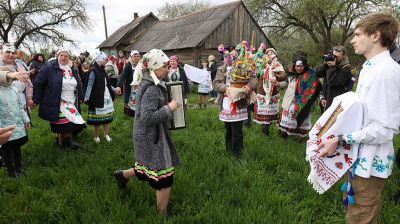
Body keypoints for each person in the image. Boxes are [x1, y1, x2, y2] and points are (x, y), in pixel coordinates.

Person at [317, 12, 400, 224]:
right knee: (353, 211)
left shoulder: (385, 72)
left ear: (375, 36)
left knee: (361, 216)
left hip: (371, 162)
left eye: (357, 34)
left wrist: (341, 139)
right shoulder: (369, 67)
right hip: (359, 158)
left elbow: (385, 128)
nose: (352, 40)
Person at [113, 49, 180, 213]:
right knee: (164, 176)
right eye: (164, 66)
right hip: (151, 136)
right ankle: (161, 214)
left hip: (149, 135)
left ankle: (122, 175)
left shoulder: (153, 82)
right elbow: (147, 118)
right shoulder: (151, 88)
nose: (167, 69)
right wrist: (169, 108)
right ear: (153, 67)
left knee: (147, 166)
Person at [33, 48, 86, 149]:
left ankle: (67, 143)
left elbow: (78, 83)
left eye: (66, 56)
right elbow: (38, 82)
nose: (63, 57)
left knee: (70, 122)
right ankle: (62, 143)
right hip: (58, 100)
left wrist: (82, 96)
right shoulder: (50, 67)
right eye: (61, 55)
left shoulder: (72, 68)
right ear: (57, 56)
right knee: (62, 124)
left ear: (69, 57)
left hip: (72, 100)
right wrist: (36, 99)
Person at [213, 41, 257, 158]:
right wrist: (225, 88)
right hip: (226, 103)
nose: (231, 56)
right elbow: (216, 84)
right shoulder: (222, 69)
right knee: (228, 129)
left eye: (233, 54)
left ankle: (237, 155)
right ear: (226, 56)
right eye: (229, 54)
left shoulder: (243, 66)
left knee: (237, 130)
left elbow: (254, 78)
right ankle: (229, 152)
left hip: (239, 102)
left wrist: (249, 86)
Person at [277, 53, 321, 140]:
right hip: (290, 100)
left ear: (305, 65)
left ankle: (300, 138)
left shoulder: (310, 75)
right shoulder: (291, 73)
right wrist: (278, 84)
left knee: (302, 118)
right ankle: (285, 134)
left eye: (301, 66)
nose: (299, 68)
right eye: (297, 66)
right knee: (288, 118)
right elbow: (286, 83)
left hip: (303, 102)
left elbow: (316, 87)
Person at [0, 66, 30, 177]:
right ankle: (11, 171)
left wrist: (26, 119)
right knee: (6, 149)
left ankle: (19, 167)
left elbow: (20, 106)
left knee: (17, 147)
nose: (10, 78)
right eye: (8, 75)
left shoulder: (14, 89)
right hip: (4, 125)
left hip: (17, 124)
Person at [84, 52, 116, 143]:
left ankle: (106, 134)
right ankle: (96, 136)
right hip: (97, 98)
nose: (106, 61)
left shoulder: (102, 69)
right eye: (105, 60)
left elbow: (107, 84)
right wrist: (86, 97)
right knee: (97, 119)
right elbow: (89, 85)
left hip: (106, 97)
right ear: (99, 59)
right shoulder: (93, 71)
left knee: (107, 118)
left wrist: (114, 90)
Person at [254, 47, 286, 136]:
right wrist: (263, 72)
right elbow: (256, 74)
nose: (270, 54)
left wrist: (276, 76)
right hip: (262, 92)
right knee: (264, 115)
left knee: (271, 115)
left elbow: (283, 75)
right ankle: (265, 133)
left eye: (272, 52)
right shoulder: (261, 64)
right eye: (268, 52)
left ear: (275, 55)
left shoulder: (277, 65)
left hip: (273, 93)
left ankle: (269, 128)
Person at [317, 46, 353, 111]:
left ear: (343, 56)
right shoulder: (331, 64)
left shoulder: (346, 69)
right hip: (326, 100)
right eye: (333, 55)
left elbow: (332, 83)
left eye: (337, 57)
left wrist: (332, 68)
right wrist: (324, 64)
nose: (334, 58)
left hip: (337, 104)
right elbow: (317, 74)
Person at [115, 50, 141, 117]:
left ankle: (138, 115)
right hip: (131, 88)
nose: (136, 57)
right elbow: (123, 76)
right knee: (131, 101)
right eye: (134, 56)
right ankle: (131, 116)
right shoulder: (129, 65)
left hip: (140, 87)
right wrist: (118, 86)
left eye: (138, 56)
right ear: (131, 57)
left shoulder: (141, 64)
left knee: (139, 102)